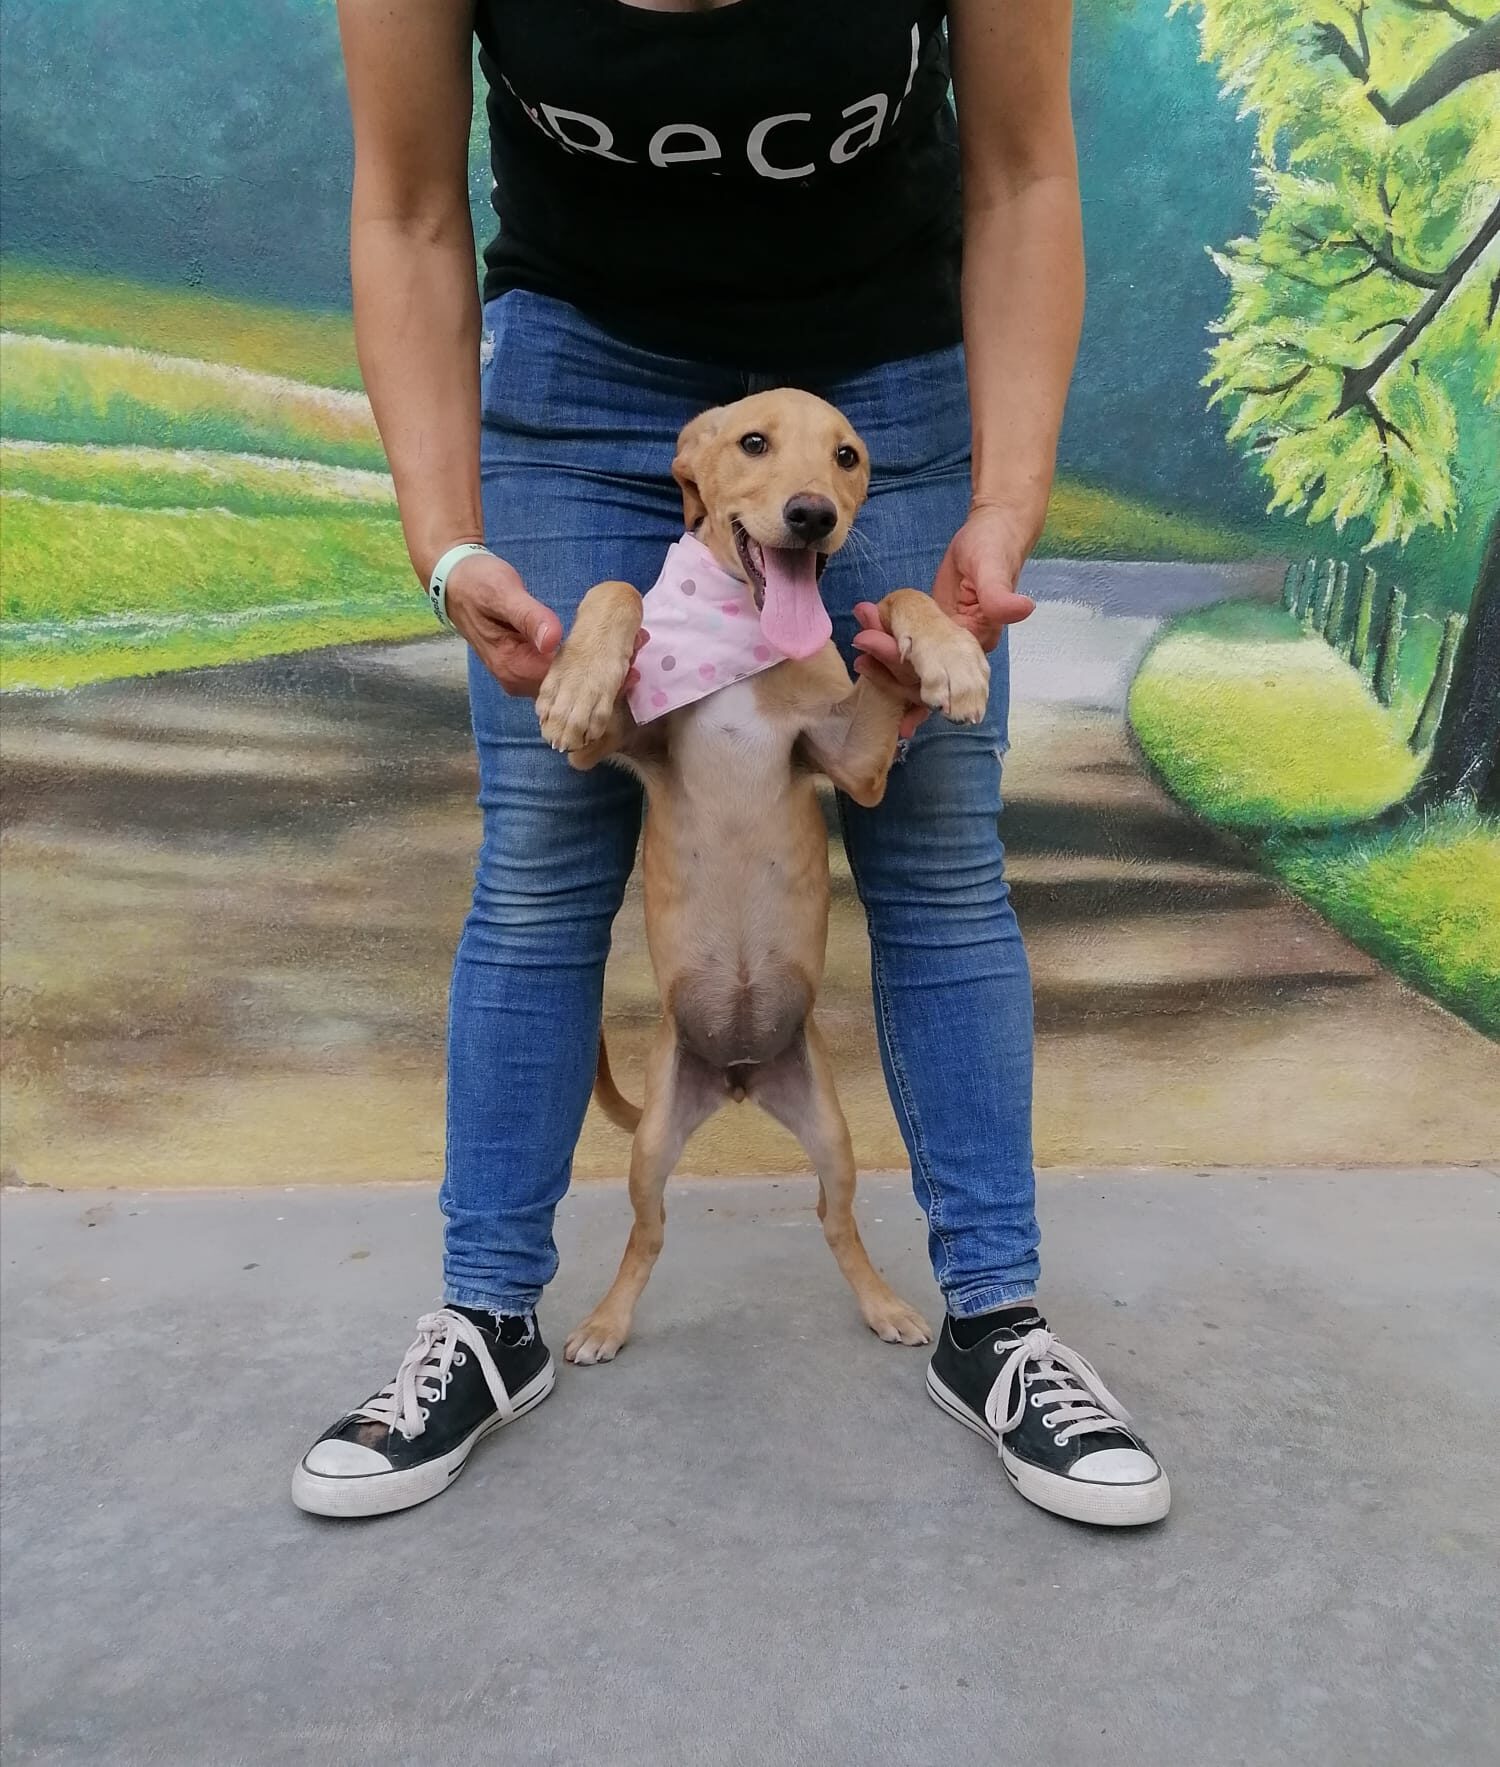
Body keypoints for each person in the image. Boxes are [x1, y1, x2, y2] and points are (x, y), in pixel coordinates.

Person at [293, 0, 1170, 1528]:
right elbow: (411, 208)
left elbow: (1026, 173)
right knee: (539, 855)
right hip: (585, 375)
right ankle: (487, 1317)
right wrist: (447, 547)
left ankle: (998, 1323)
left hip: (883, 369)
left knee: (939, 852)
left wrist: (1003, 504)